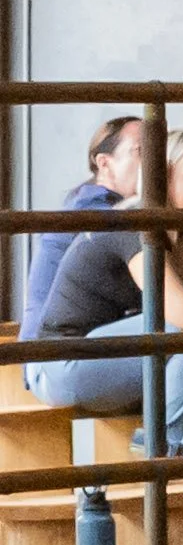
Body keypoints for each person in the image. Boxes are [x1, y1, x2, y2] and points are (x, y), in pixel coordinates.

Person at [32, 132, 183, 452]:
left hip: (107, 356)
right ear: (163, 178)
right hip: (58, 363)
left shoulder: (182, 233)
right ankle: (173, 442)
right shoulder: (133, 223)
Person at [19, 117, 142, 400]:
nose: (157, 162)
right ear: (104, 163)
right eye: (141, 151)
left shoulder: (92, 205)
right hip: (51, 359)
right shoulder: (102, 213)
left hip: (53, 353)